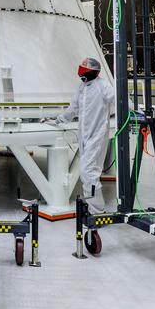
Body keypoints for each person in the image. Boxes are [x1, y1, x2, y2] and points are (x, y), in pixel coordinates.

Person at [56, 57, 115, 215]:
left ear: (93, 73)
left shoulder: (103, 86)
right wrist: (61, 119)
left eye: (84, 72)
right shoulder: (82, 87)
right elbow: (73, 108)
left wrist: (133, 110)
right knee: (88, 173)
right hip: (84, 136)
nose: (81, 76)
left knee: (88, 172)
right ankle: (92, 207)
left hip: (97, 136)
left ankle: (97, 211)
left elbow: (118, 99)